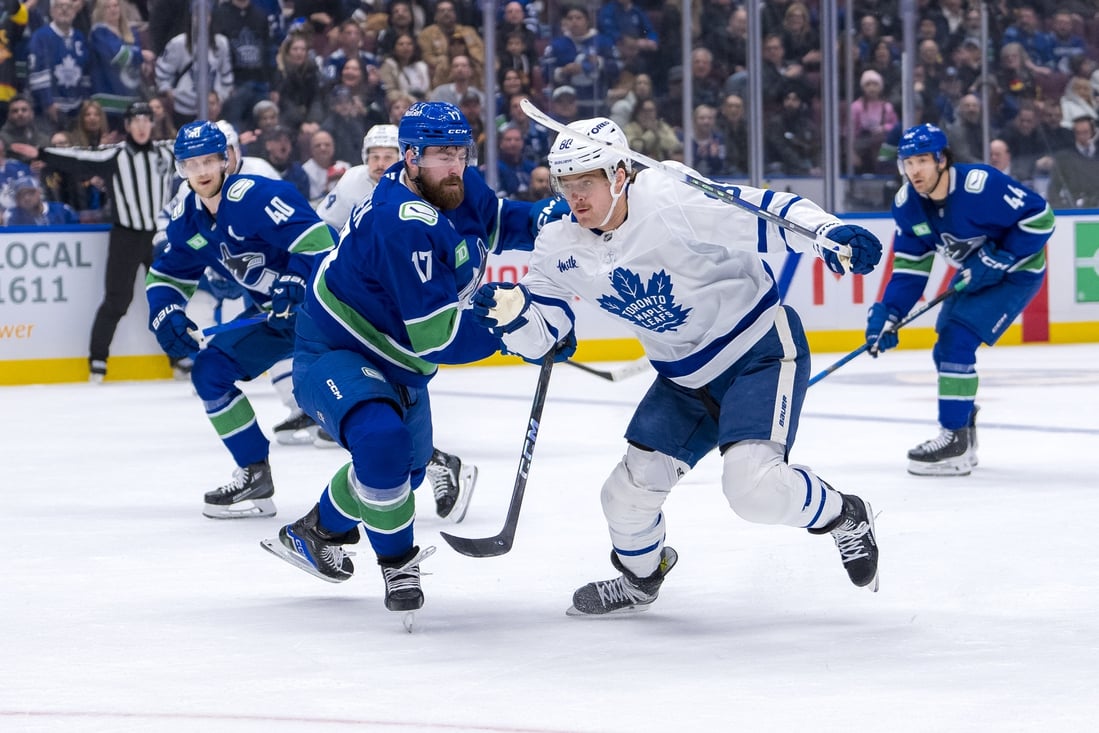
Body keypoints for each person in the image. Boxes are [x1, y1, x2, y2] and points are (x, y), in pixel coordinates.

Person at [471, 117, 883, 615]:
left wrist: (825, 232)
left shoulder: (671, 198)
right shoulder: (558, 243)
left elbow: (762, 211)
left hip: (757, 352)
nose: (574, 197)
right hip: (682, 379)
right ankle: (641, 581)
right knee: (623, 497)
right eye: (566, 184)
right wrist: (514, 319)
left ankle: (845, 516)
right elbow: (546, 337)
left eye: (587, 182)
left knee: (751, 489)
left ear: (620, 175)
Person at [260, 101, 567, 618]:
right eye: (440, 154)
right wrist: (518, 333)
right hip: (336, 347)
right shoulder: (403, 222)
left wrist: (549, 220)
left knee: (403, 477)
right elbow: (436, 340)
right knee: (382, 445)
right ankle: (397, 565)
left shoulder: (458, 187)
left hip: (401, 361)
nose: (455, 165)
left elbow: (498, 221)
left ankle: (314, 532)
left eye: (461, 152)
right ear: (409, 157)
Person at [146, 120, 336, 518]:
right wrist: (166, 312)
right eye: (190, 164)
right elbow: (167, 275)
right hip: (277, 318)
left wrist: (295, 279)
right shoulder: (190, 219)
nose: (200, 172)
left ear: (226, 160)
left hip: (329, 312)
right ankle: (254, 474)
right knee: (210, 371)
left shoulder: (257, 195)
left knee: (343, 405)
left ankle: (433, 461)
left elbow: (320, 242)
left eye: (208, 161)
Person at [314, 122, 481, 520]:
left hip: (404, 315)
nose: (379, 163)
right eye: (373, 155)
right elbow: (320, 228)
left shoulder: (440, 189)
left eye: (460, 156)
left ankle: (432, 462)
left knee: (402, 459)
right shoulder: (361, 188)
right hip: (366, 304)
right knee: (386, 446)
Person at [865, 123, 1054, 476]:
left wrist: (999, 258)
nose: (914, 170)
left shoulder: (981, 185)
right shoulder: (907, 206)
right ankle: (963, 434)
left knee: (956, 340)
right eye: (907, 162)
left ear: (942, 160)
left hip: (1017, 273)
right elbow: (909, 271)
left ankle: (954, 440)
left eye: (922, 160)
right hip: (975, 271)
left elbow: (1041, 219)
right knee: (945, 346)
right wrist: (888, 313)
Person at [10, 102, 176, 382]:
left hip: (158, 236)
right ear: (127, 126)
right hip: (126, 235)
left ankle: (179, 356)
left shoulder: (166, 152)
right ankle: (98, 359)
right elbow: (77, 159)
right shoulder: (115, 155)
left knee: (168, 298)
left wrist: (229, 142)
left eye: (146, 120)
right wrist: (42, 152)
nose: (141, 126)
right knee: (116, 300)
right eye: (135, 121)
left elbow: (196, 148)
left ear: (151, 124)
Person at [2, 174, 79, 225]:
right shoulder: (12, 215)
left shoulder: (62, 210)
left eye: (31, 192)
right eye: (21, 195)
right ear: (17, 201)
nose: (27, 198)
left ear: (39, 192)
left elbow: (79, 234)